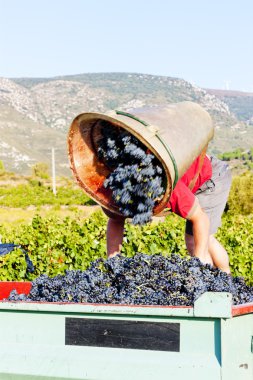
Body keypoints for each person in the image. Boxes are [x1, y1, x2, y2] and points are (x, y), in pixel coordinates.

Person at [103, 152, 232, 274]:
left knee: (198, 241)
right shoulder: (119, 190)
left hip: (212, 176)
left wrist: (200, 262)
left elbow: (201, 219)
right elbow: (116, 219)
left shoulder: (168, 189)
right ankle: (222, 282)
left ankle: (224, 280)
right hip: (193, 175)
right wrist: (113, 263)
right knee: (196, 240)